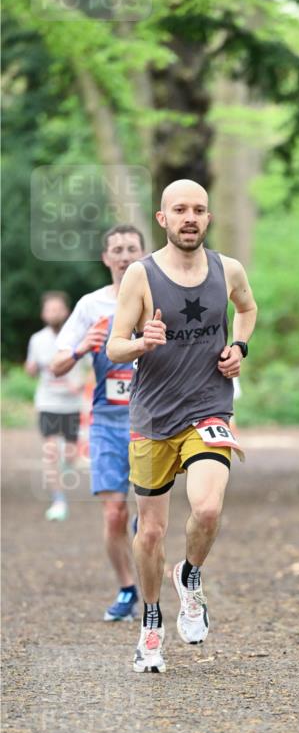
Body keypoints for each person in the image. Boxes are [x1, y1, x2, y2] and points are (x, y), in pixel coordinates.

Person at [107, 179, 257, 674]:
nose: (190, 217)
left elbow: (248, 308)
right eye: (180, 210)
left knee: (209, 508)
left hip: (208, 408)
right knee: (150, 531)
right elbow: (114, 347)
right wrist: (142, 343)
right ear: (162, 219)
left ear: (208, 218)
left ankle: (190, 577)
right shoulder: (141, 276)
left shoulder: (227, 269)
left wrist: (240, 348)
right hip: (152, 417)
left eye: (198, 210)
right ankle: (151, 622)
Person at [51, 225, 146, 620]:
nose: (124, 256)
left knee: (148, 518)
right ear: (106, 258)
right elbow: (57, 365)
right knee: (114, 515)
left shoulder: (160, 297)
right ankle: (127, 589)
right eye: (117, 250)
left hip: (151, 419)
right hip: (108, 421)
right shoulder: (91, 306)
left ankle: (153, 578)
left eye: (132, 249)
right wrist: (81, 348)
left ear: (143, 254)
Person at [26, 291, 85, 522]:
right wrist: (30, 369)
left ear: (66, 312)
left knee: (70, 454)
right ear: (43, 314)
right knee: (50, 452)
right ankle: (59, 500)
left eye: (57, 309)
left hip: (72, 405)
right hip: (48, 403)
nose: (53, 313)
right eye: (49, 309)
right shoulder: (37, 339)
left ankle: (67, 464)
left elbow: (91, 368)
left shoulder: (77, 337)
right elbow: (31, 368)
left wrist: (79, 384)